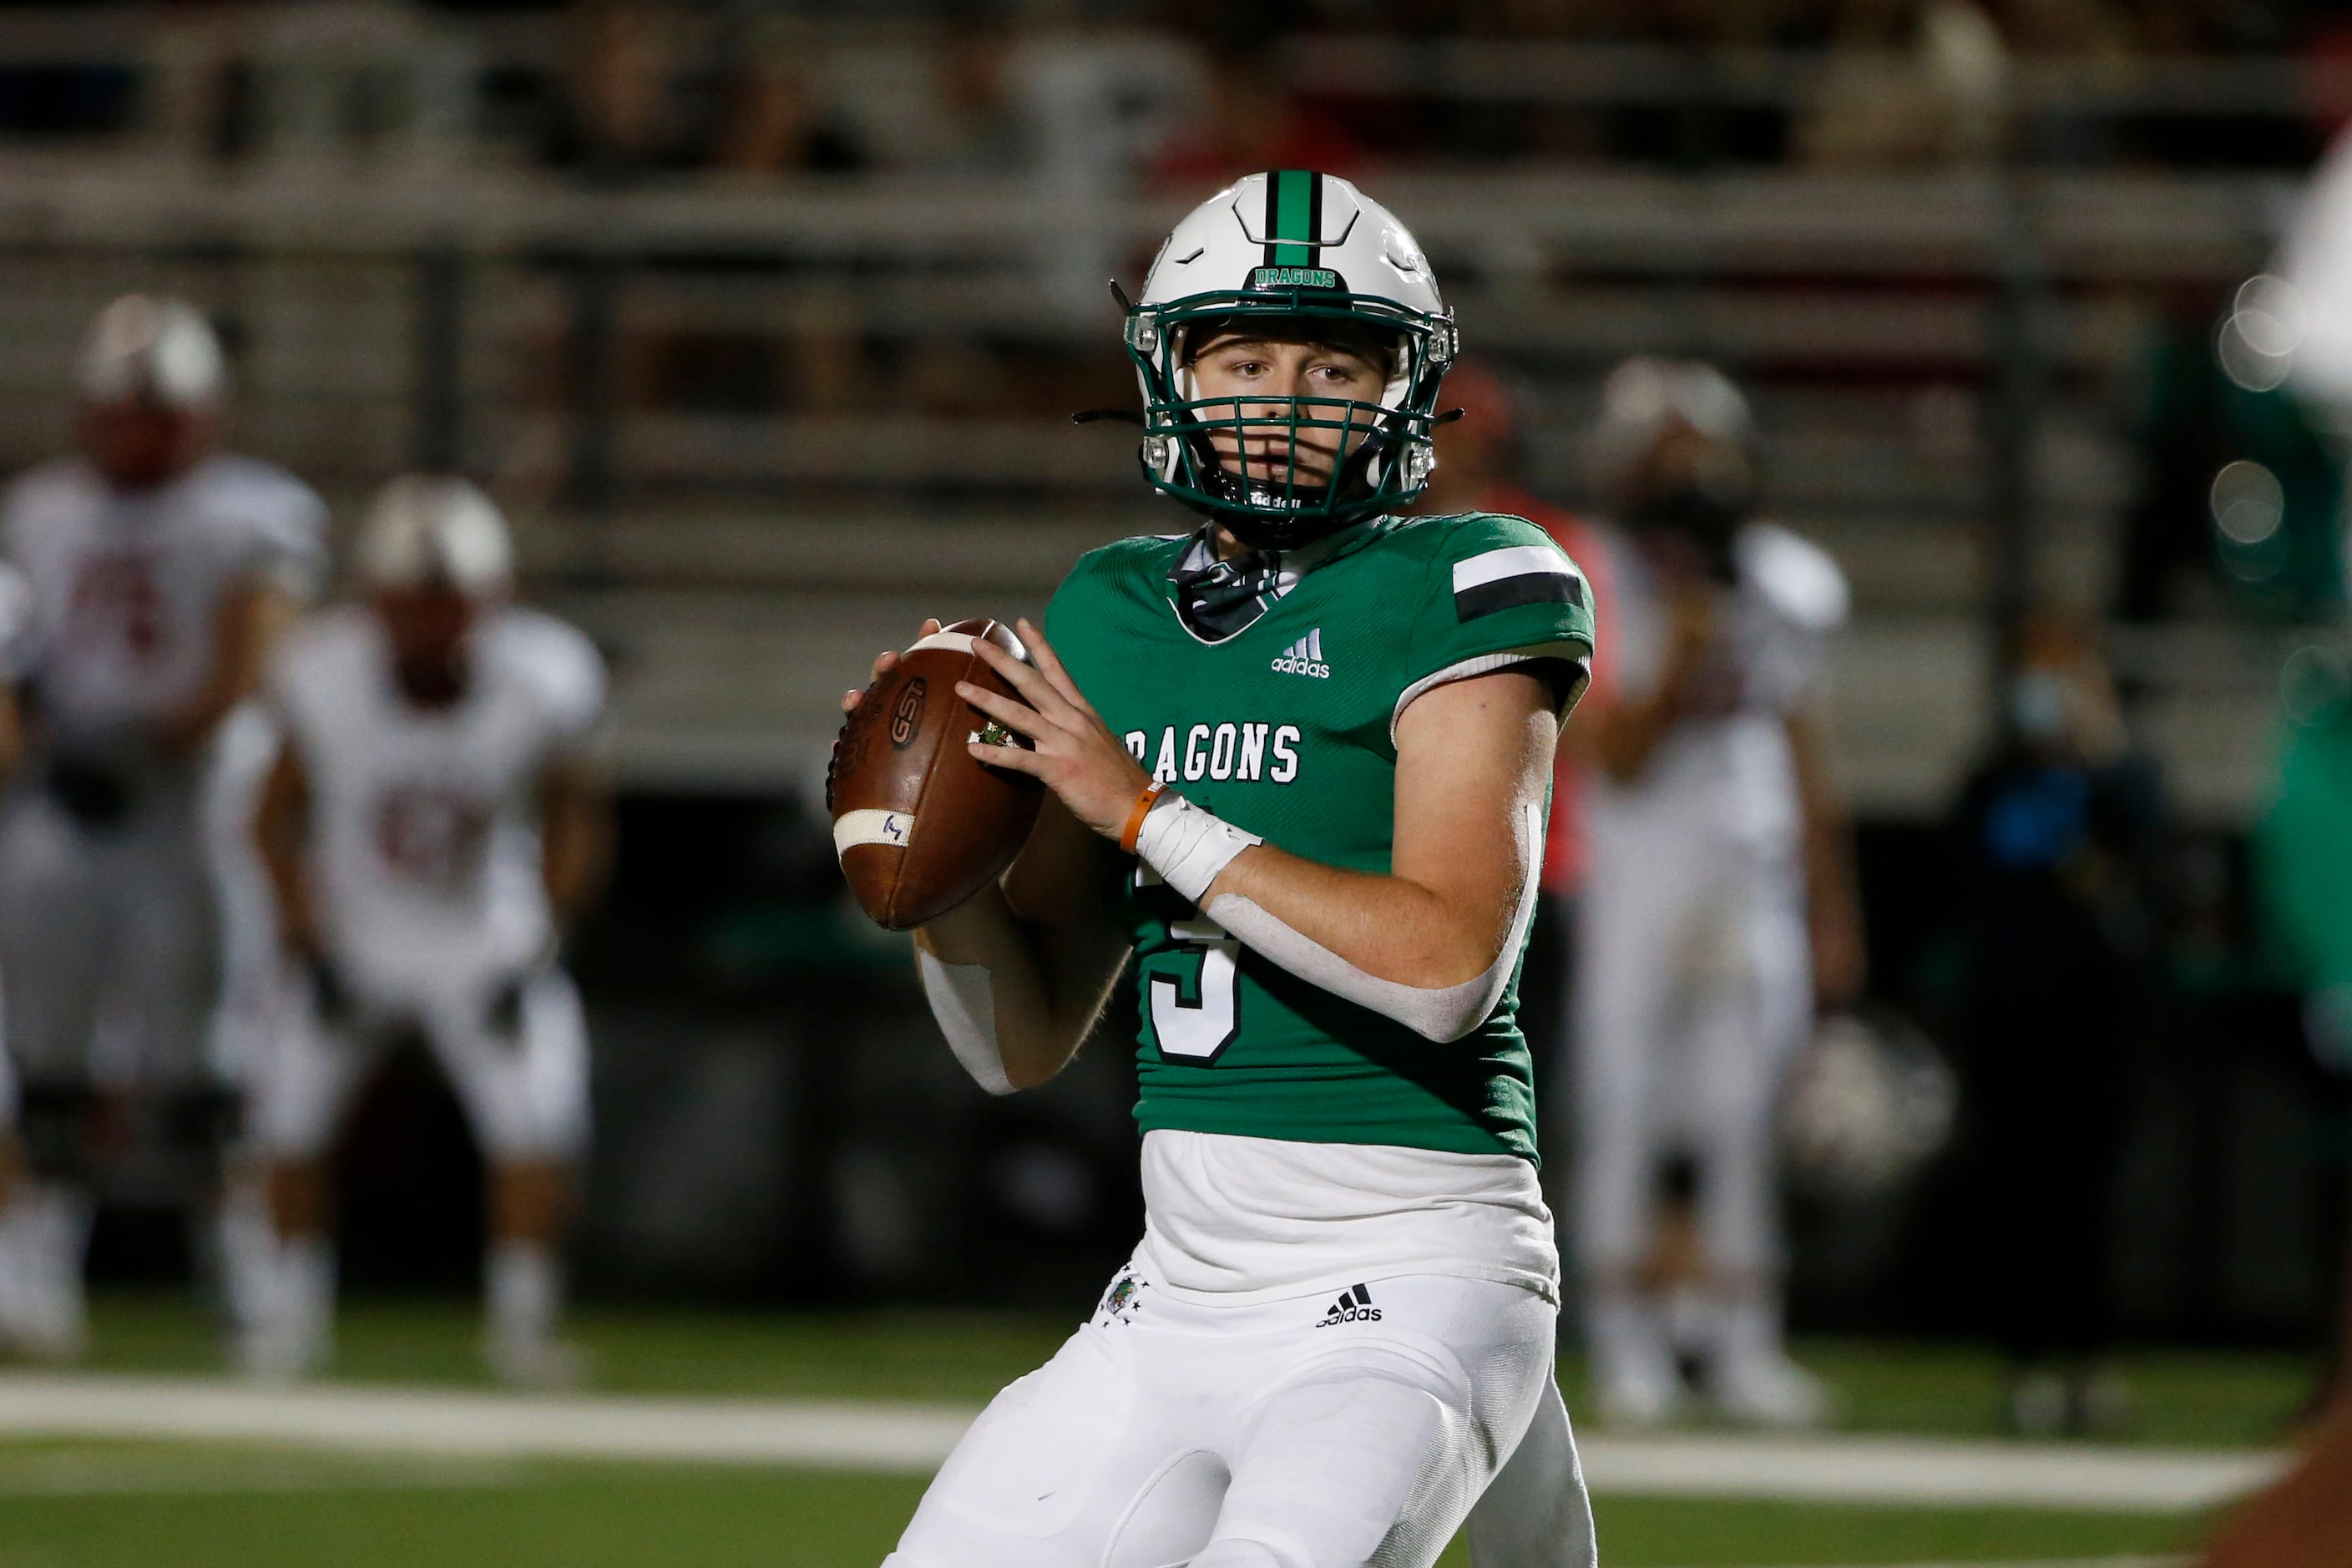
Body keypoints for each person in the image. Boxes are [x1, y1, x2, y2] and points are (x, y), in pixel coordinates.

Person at [856, 170, 1596, 1568]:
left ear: (1402, 390)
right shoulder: (1108, 610)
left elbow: (1447, 966)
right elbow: (1023, 1037)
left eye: (1333, 363)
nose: (1284, 395)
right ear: (1172, 376)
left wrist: (1145, 809)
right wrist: (933, 879)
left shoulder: (1474, 580)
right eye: (1241, 357)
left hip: (1411, 1264)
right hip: (1174, 1292)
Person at [0, 295, 324, 1360]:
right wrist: (46, 748)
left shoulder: (252, 511)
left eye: (161, 410)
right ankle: (33, 1266)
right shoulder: (40, 510)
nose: (140, 429)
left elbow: (253, 660)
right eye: (124, 409)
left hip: (192, 807)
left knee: (207, 1061)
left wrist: (137, 745)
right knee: (47, 1054)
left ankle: (239, 1270)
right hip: (67, 805)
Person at [241, 477, 610, 1383]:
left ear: (493, 601)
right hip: (353, 929)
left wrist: (545, 938)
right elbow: (271, 816)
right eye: (414, 602)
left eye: (451, 602)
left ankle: (522, 1327)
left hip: (486, 928)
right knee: (284, 1116)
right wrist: (302, 932)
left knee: (539, 1121)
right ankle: (287, 1319)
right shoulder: (322, 671)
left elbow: (575, 815)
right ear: (376, 602)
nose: (432, 624)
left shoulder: (543, 675)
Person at [1571, 357, 1863, 1428]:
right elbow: (1620, 755)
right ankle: (1627, 1340)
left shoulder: (1784, 579)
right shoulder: (1594, 570)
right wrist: (1680, 650)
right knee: (1627, 1101)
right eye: (1664, 452)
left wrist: (1836, 906)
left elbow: (1804, 747)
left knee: (1743, 1107)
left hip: (1754, 863)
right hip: (1641, 865)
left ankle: (1743, 1339)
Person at [1950, 614, 2160, 1436]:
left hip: (2095, 1016)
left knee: (2090, 1196)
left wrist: (2097, 769)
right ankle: (2025, 1361)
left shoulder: (2123, 779)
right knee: (2015, 1189)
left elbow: (2141, 876)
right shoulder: (1992, 779)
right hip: (2010, 1011)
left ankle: (2089, 1359)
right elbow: (1964, 878)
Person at [1415, 359, 1619, 1188]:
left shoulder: (1546, 544)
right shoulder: (1382, 542)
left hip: (1533, 858)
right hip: (1402, 854)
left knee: (1517, 1104)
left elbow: (1593, 722)